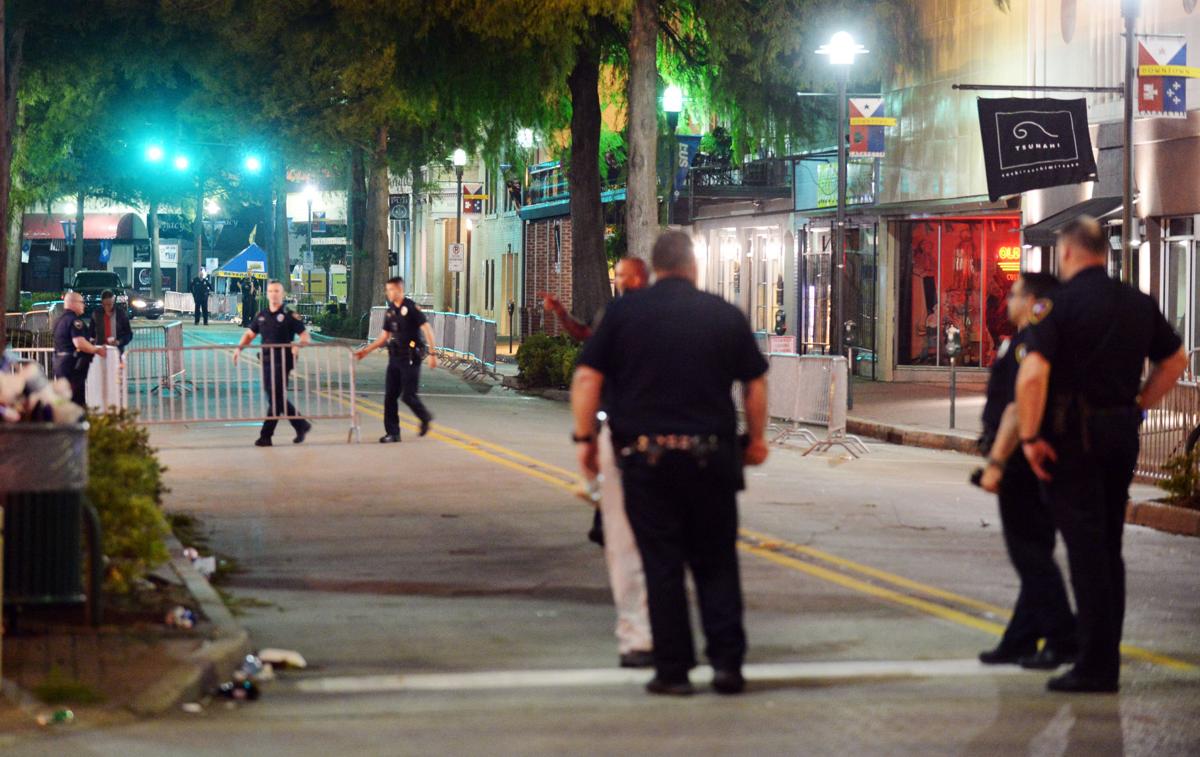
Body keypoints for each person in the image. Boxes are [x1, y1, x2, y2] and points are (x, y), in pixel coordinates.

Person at [572, 232, 769, 697]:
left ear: (656, 268)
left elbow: (586, 378)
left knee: (661, 563)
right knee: (716, 561)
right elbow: (755, 383)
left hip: (647, 458)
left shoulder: (624, 313)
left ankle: (674, 670)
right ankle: (727, 665)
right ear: (694, 266)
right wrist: (757, 439)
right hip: (711, 456)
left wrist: (584, 440)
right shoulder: (723, 313)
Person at [1016, 217, 1187, 693]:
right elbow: (1176, 360)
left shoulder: (1057, 305)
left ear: (1069, 253)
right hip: (1121, 434)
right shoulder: (1137, 302)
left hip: (1074, 440)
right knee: (1110, 548)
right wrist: (1139, 405)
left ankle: (1095, 666)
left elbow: (1032, 376)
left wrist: (1029, 438)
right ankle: (1103, 657)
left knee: (1086, 549)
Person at [976, 272, 1077, 670]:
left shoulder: (1031, 344)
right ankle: (1020, 638)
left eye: (1015, 294)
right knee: (1034, 553)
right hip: (1030, 457)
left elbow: (1018, 408)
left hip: (1022, 460)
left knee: (1030, 555)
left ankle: (1063, 635)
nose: (1008, 301)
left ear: (1035, 300)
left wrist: (998, 463)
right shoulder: (1030, 342)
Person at [559, 257, 654, 668]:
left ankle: (641, 634)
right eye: (614, 277)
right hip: (625, 423)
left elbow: (585, 376)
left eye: (621, 277)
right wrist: (560, 314)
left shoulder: (638, 315)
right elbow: (585, 337)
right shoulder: (614, 314)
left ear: (638, 278)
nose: (617, 283)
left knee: (630, 537)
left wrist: (584, 442)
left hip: (633, 430)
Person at [354, 277, 436, 442]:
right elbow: (384, 337)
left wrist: (432, 354)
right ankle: (392, 433)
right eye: (387, 290)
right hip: (395, 358)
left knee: (408, 396)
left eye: (391, 289)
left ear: (399, 290)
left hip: (411, 358)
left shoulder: (411, 308)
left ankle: (425, 417)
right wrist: (366, 351)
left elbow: (427, 329)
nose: (388, 293)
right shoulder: (391, 310)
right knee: (390, 396)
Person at [233, 280, 313, 447]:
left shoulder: (289, 315)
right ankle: (301, 424)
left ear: (282, 294)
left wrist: (297, 345)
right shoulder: (262, 315)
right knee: (275, 397)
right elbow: (249, 335)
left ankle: (266, 435)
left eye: (277, 291)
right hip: (267, 360)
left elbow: (305, 336)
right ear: (267, 294)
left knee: (275, 397)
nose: (273, 294)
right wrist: (238, 349)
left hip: (283, 360)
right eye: (270, 291)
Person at [53, 291, 106, 407]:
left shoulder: (59, 320)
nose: (84, 305)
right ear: (73, 303)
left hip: (60, 363)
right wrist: (96, 350)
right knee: (76, 400)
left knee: (66, 399)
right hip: (72, 365)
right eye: (81, 302)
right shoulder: (75, 321)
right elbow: (79, 343)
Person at [91, 290, 133, 354]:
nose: (107, 307)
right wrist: (93, 341)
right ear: (102, 303)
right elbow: (90, 333)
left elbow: (129, 334)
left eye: (110, 304)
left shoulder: (121, 314)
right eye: (105, 305)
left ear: (113, 301)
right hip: (100, 350)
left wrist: (119, 342)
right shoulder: (96, 314)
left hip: (117, 351)